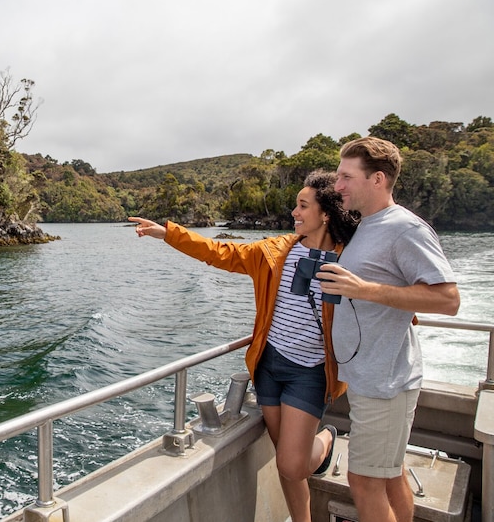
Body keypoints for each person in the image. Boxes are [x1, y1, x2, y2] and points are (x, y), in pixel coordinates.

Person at [130, 170, 358, 522]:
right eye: (295, 206)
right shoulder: (273, 252)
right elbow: (219, 251)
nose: (294, 213)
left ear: (326, 213)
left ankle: (326, 439)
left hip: (311, 372)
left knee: (292, 461)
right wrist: (167, 234)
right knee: (287, 464)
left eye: (302, 206)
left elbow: (376, 308)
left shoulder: (351, 258)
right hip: (269, 367)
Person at [317, 136, 460, 522]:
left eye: (346, 176)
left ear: (377, 179)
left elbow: (448, 300)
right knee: (390, 475)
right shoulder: (365, 226)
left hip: (386, 383)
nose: (338, 186)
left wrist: (364, 290)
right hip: (370, 378)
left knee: (363, 482)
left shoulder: (405, 229)